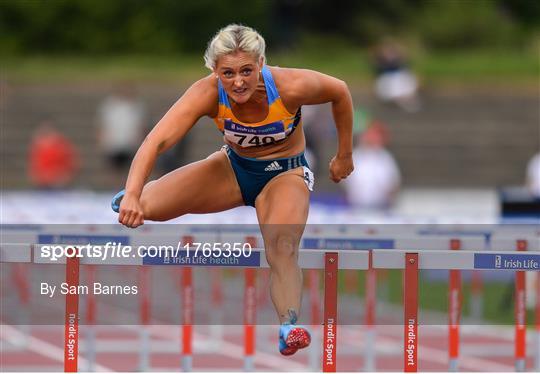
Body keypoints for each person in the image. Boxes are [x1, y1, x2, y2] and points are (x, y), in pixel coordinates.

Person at [111, 24, 354, 356]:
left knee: (282, 246)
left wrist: (344, 155)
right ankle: (135, 195)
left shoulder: (289, 86)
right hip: (232, 168)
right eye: (228, 73)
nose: (238, 82)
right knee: (146, 205)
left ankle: (289, 325)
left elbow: (340, 91)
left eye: (246, 71)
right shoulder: (207, 92)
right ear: (215, 71)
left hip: (283, 174)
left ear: (261, 64)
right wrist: (133, 193)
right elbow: (157, 140)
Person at [343, 121, 401, 210]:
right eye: (372, 135)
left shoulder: (386, 158)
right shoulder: (355, 156)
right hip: (356, 206)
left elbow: (394, 183)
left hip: (381, 206)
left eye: (378, 136)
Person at [28, 119, 79, 189]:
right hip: (43, 183)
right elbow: (35, 167)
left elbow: (71, 164)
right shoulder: (37, 147)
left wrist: (62, 175)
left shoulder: (62, 146)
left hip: (60, 182)